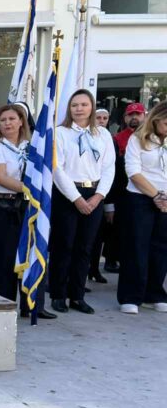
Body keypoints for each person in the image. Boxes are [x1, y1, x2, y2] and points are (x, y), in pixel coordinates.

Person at [0, 104, 55, 319]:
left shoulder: (32, 146)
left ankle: (32, 305)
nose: (7, 123)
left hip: (30, 206)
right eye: (3, 120)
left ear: (21, 121)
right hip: (4, 207)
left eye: (12, 119)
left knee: (33, 252)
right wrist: (29, 189)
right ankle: (4, 304)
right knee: (5, 257)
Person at [49, 89, 116, 314]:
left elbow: (108, 167)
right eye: (74, 105)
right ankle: (58, 294)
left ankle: (77, 295)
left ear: (92, 107)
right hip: (67, 193)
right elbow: (57, 169)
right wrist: (76, 198)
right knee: (63, 246)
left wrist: (99, 196)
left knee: (85, 248)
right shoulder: (60, 133)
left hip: (94, 194)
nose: (79, 109)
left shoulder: (103, 134)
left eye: (84, 104)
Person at [117, 103, 167, 314]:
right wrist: (156, 195)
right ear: (156, 119)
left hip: (165, 200)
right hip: (140, 198)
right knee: (136, 247)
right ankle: (130, 296)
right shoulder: (137, 140)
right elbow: (133, 172)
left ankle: (154, 294)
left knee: (161, 248)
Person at [89, 107, 116, 283]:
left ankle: (93, 269)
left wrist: (107, 203)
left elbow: (111, 172)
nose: (101, 121)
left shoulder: (108, 138)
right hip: (81, 191)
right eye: (98, 117)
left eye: (105, 118)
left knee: (97, 237)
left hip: (101, 194)